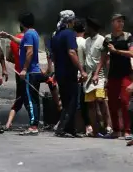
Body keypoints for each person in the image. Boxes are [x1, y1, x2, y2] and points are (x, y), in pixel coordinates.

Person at [49, 10, 87, 138]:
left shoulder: (56, 35)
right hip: (68, 72)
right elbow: (72, 52)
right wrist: (81, 70)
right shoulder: (69, 34)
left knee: (66, 100)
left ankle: (70, 129)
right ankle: (62, 128)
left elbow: (53, 55)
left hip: (59, 72)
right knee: (71, 101)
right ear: (71, 21)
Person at [103, 13, 132, 139]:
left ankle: (127, 130)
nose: (121, 24)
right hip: (113, 74)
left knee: (125, 102)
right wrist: (100, 73)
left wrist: (117, 51)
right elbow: (103, 57)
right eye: (118, 21)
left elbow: (131, 53)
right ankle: (116, 129)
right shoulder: (107, 38)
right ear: (112, 23)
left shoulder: (128, 36)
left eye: (122, 21)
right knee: (112, 103)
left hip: (126, 73)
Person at [17, 11, 46, 136]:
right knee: (34, 99)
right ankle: (35, 124)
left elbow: (29, 52)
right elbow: (23, 43)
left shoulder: (28, 34)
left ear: (22, 23)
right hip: (34, 71)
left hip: (30, 72)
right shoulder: (33, 33)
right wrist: (8, 37)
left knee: (30, 99)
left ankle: (33, 125)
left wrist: (24, 69)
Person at [83, 18, 111, 138]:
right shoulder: (87, 41)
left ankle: (108, 127)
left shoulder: (102, 40)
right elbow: (87, 59)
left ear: (92, 27)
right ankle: (95, 130)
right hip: (89, 76)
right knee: (90, 103)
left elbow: (103, 59)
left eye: (87, 26)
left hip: (99, 76)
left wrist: (99, 74)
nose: (85, 29)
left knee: (101, 100)